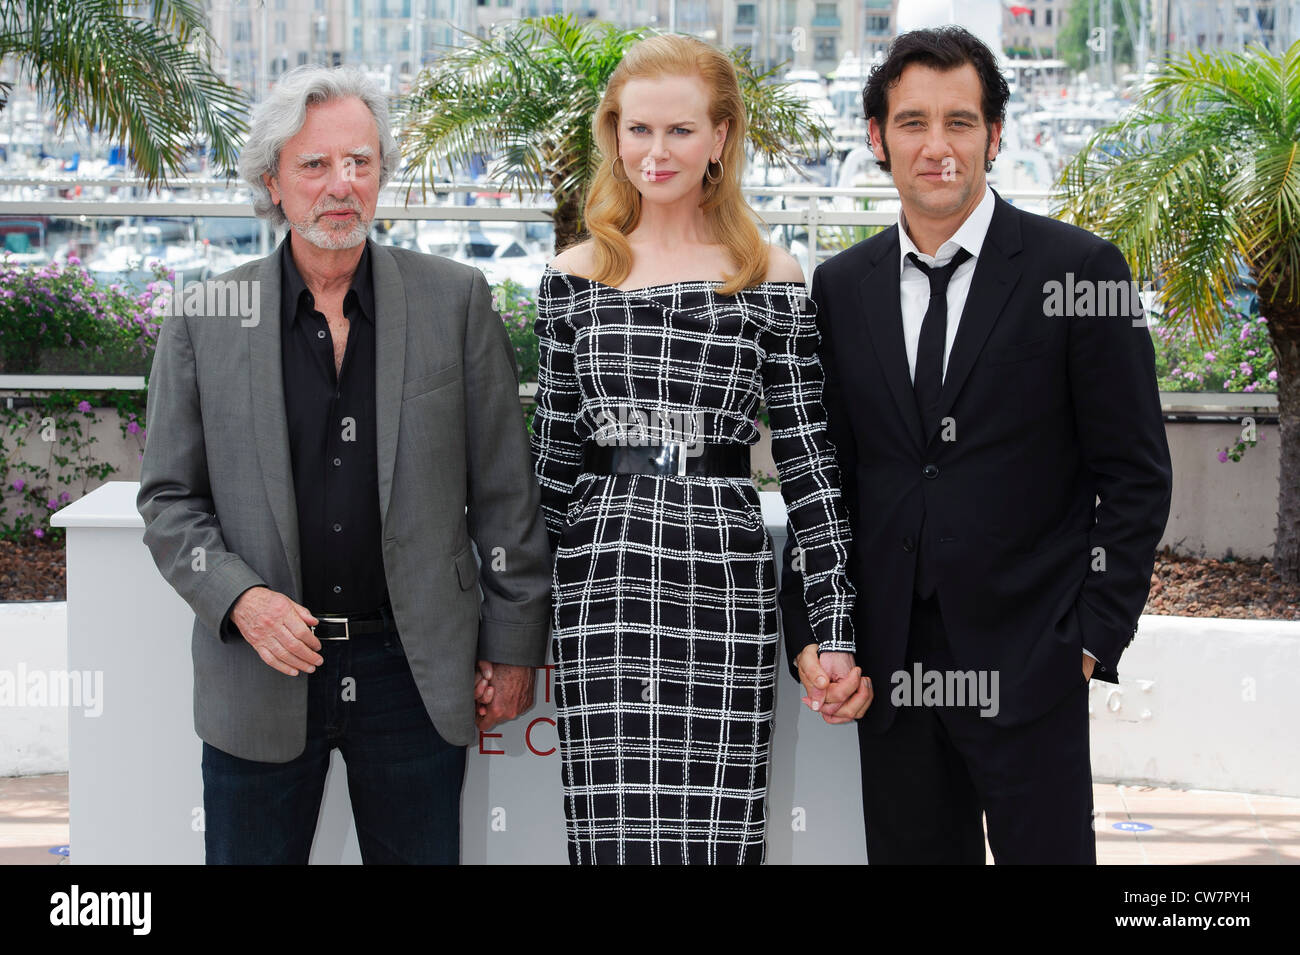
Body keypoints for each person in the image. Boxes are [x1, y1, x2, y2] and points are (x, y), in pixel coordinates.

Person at [136, 65, 553, 864]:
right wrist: (244, 600)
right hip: (259, 667)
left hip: (415, 669)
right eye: (316, 166)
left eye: (360, 163)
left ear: (381, 176)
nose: (342, 185)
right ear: (273, 182)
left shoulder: (456, 301)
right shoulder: (203, 318)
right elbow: (168, 499)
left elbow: (505, 490)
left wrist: (511, 643)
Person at [780, 26, 1173, 864]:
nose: (937, 145)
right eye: (913, 122)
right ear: (878, 138)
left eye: (960, 122)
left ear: (996, 136)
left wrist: (1090, 638)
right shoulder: (841, 286)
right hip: (889, 669)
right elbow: (827, 477)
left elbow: (1135, 475)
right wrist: (811, 627)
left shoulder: (1083, 271)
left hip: (1033, 659)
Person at [530, 33, 868, 865]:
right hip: (600, 579)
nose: (654, 151)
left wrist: (835, 623)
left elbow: (810, 466)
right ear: (614, 135)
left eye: (679, 130)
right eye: (636, 129)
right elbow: (546, 469)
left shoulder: (770, 277)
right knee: (612, 836)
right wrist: (504, 633)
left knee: (718, 834)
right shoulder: (572, 276)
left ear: (720, 137)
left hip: (722, 569)